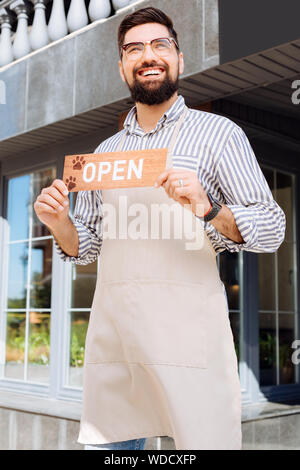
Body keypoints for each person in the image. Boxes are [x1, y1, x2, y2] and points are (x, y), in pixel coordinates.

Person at [34, 7, 286, 450]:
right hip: (119, 352)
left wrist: (209, 209)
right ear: (122, 67)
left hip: (190, 345)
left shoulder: (218, 135)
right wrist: (61, 225)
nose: (147, 56)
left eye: (159, 45)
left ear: (179, 59)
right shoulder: (105, 153)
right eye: (134, 49)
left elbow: (271, 228)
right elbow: (87, 247)